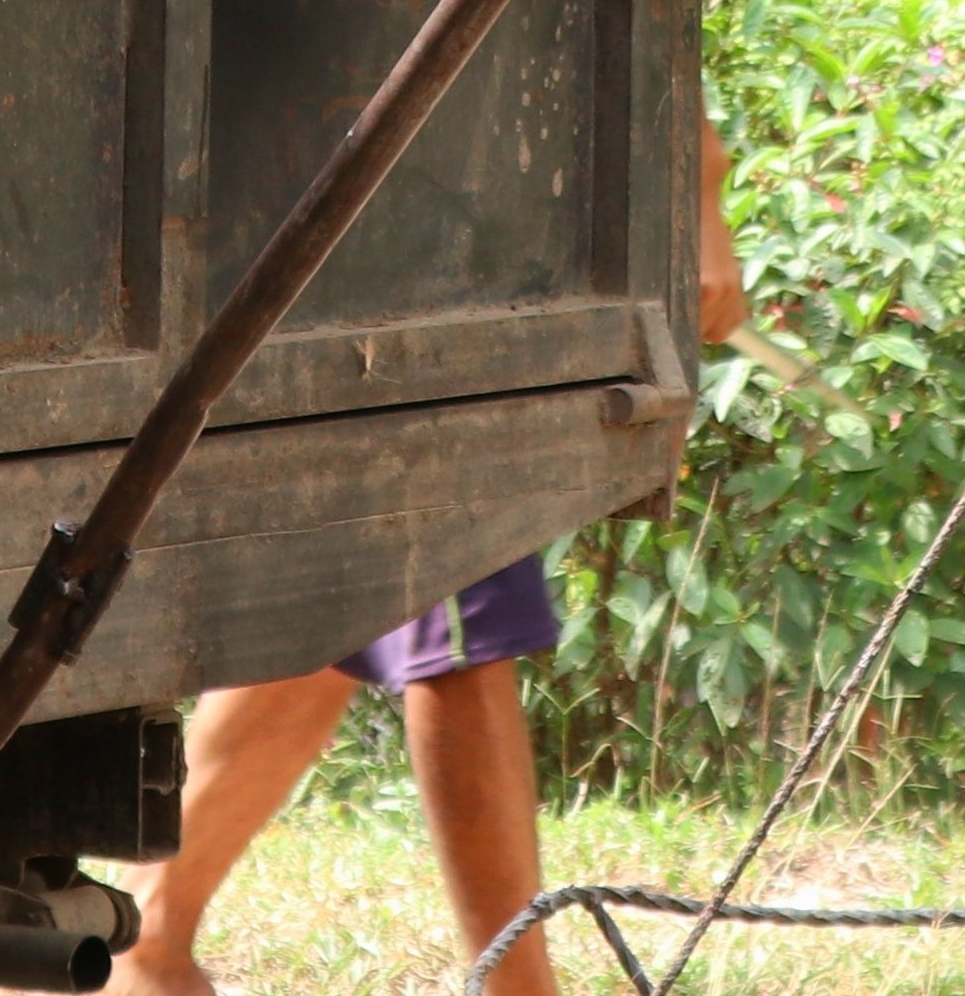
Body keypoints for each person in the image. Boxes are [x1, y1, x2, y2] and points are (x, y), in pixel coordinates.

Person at [107, 125, 751, 996]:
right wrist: (697, 193)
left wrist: (698, 196)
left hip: (394, 189)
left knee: (353, 582)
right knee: (452, 580)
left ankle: (150, 929)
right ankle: (517, 986)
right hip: (384, 203)